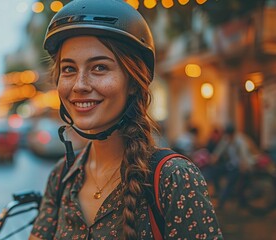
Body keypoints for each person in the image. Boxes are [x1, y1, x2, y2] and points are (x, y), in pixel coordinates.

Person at [29, 0, 223, 239]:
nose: (79, 85)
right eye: (69, 69)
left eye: (99, 67)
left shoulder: (173, 178)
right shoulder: (61, 177)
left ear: (133, 82)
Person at [210, 124, 259, 210]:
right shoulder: (226, 140)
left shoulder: (239, 141)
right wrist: (214, 157)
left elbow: (244, 156)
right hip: (231, 165)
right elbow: (219, 150)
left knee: (230, 183)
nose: (229, 136)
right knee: (215, 171)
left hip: (240, 165)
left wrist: (243, 165)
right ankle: (219, 192)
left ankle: (222, 202)